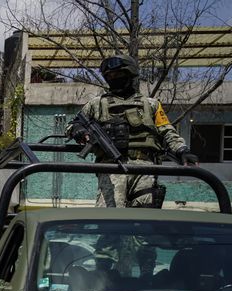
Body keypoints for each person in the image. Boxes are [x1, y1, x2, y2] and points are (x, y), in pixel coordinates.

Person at [66, 54, 198, 208]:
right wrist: (78, 130)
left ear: (130, 75)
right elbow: (72, 125)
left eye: (118, 74)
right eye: (110, 76)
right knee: (109, 219)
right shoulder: (96, 104)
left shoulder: (151, 104)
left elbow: (167, 131)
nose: (114, 78)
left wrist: (182, 151)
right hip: (110, 168)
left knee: (144, 220)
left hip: (145, 167)